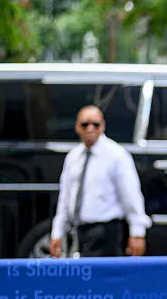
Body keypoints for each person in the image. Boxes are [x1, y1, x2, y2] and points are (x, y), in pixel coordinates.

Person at [50, 105, 151, 258]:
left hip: (106, 231)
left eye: (95, 124)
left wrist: (137, 233)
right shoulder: (73, 157)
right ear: (77, 127)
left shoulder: (116, 155)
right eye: (85, 124)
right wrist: (57, 233)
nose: (90, 128)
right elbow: (65, 199)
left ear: (103, 126)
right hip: (79, 231)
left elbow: (131, 196)